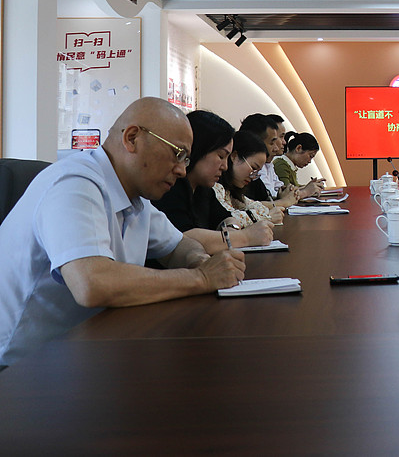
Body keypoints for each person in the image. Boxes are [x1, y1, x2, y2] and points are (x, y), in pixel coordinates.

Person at [0, 97, 245, 368]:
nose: (181, 170)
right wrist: (201, 277)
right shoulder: (75, 183)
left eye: (186, 159)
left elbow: (179, 246)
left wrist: (199, 260)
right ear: (132, 138)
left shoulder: (136, 199)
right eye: (178, 154)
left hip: (82, 350)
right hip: (19, 370)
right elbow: (92, 284)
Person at [153, 110, 273, 251]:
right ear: (198, 148)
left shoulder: (203, 188)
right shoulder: (171, 186)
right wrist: (245, 237)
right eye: (221, 156)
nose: (225, 166)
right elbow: (182, 238)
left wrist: (231, 229)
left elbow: (224, 218)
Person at [214, 130, 283, 228]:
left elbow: (258, 207)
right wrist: (266, 217)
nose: (253, 176)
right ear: (234, 156)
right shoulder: (215, 186)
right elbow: (228, 217)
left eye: (257, 172)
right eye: (253, 168)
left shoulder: (230, 191)